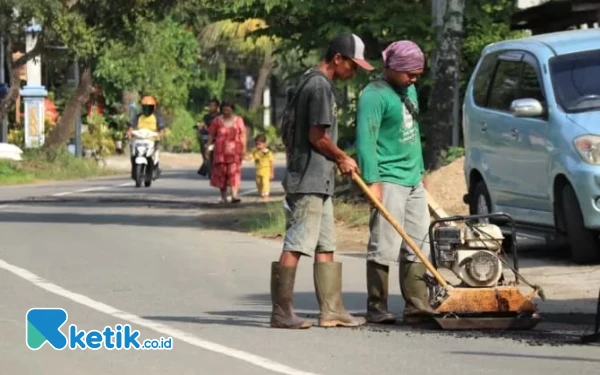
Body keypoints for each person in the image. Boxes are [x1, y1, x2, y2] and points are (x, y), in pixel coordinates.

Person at [270, 33, 375, 329]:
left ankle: (332, 310)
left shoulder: (310, 80)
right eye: (352, 66)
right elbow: (317, 137)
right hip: (309, 180)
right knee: (297, 243)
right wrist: (342, 157)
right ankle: (281, 311)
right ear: (338, 58)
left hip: (320, 180)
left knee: (325, 244)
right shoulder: (318, 87)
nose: (353, 73)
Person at [355, 40, 434, 325]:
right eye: (409, 74)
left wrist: (421, 172)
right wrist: (372, 181)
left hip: (413, 179)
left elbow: (413, 133)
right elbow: (366, 141)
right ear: (392, 68)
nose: (414, 79)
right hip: (388, 179)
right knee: (384, 244)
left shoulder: (408, 89)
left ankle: (416, 305)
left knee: (419, 242)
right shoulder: (374, 95)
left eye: (417, 74)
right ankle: (377, 305)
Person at [205, 101, 247, 204]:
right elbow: (211, 134)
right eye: (224, 109)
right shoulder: (217, 121)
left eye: (228, 109)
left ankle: (234, 196)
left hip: (235, 152)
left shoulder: (238, 120)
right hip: (220, 153)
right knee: (221, 174)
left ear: (232, 109)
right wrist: (207, 148)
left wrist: (244, 149)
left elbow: (243, 135)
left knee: (234, 173)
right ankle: (223, 197)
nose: (226, 111)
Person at [126, 95, 165, 180]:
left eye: (149, 107)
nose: (147, 110)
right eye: (145, 107)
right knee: (133, 153)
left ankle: (155, 169)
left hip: (152, 139)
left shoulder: (157, 117)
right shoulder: (138, 116)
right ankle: (134, 170)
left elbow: (161, 128)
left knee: (154, 154)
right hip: (139, 138)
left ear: (153, 107)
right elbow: (132, 125)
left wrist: (160, 133)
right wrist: (129, 132)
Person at [246, 134, 274, 201]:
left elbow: (271, 162)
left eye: (259, 144)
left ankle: (266, 195)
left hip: (266, 171)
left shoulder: (267, 152)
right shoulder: (255, 151)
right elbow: (250, 157)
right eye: (256, 144)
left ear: (264, 144)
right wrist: (245, 158)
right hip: (258, 171)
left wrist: (272, 173)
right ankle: (262, 193)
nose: (258, 146)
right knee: (259, 184)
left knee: (265, 183)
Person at [196, 98, 220, 177]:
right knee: (204, 146)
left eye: (213, 105)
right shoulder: (206, 116)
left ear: (217, 107)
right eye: (210, 105)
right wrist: (200, 127)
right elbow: (202, 124)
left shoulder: (220, 116)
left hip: (218, 137)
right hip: (208, 137)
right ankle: (206, 164)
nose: (211, 107)